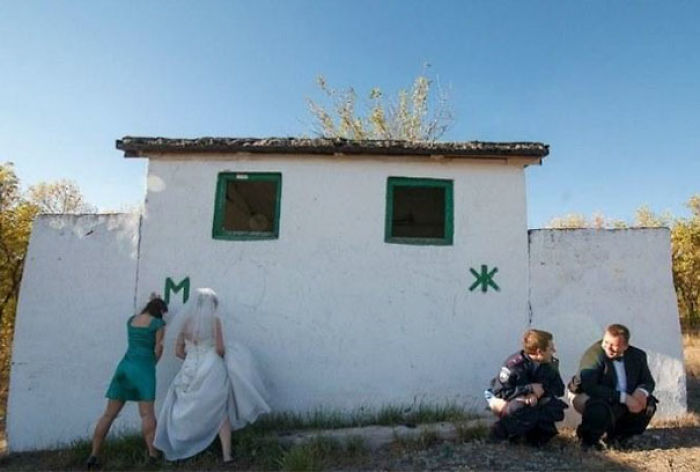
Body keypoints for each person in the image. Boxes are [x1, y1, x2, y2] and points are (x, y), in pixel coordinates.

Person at [154, 288, 271, 462]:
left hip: (189, 367)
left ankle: (182, 446)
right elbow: (220, 349)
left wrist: (192, 358)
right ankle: (226, 455)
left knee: (185, 408)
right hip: (211, 368)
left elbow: (178, 352)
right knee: (220, 411)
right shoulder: (214, 321)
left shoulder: (185, 323)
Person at [86, 294, 168, 469]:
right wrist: (152, 363)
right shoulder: (158, 324)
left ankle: (93, 454)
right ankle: (153, 454)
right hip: (144, 368)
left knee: (109, 414)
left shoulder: (131, 321)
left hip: (125, 367)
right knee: (147, 414)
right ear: (160, 311)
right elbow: (158, 348)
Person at [568, 323, 656, 449]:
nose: (608, 348)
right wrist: (624, 398)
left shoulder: (638, 356)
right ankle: (588, 439)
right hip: (590, 394)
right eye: (606, 342)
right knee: (599, 409)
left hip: (622, 395)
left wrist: (641, 392)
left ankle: (620, 437)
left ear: (625, 346)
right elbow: (590, 387)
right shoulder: (594, 354)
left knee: (648, 405)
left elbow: (648, 381)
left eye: (614, 345)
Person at [485, 329, 567, 446]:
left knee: (553, 408)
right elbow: (500, 391)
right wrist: (528, 389)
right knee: (520, 407)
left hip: (534, 400)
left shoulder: (549, 364)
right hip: (505, 400)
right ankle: (498, 436)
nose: (554, 351)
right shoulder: (515, 365)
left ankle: (534, 439)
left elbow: (559, 389)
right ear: (539, 352)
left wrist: (539, 392)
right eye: (551, 348)